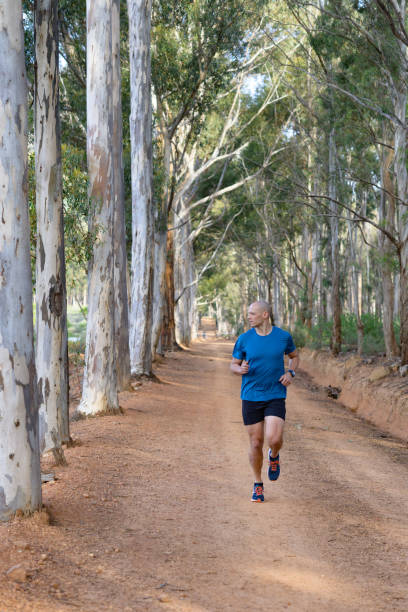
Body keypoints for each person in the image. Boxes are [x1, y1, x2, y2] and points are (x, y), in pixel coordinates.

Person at [230, 300, 299, 502]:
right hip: (251, 396)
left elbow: (294, 356)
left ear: (265, 315)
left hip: (275, 394)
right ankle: (257, 484)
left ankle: (274, 455)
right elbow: (233, 364)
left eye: (252, 313)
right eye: (248, 313)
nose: (249, 316)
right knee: (256, 442)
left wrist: (291, 372)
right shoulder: (244, 339)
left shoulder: (283, 337)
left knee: (274, 439)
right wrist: (239, 369)